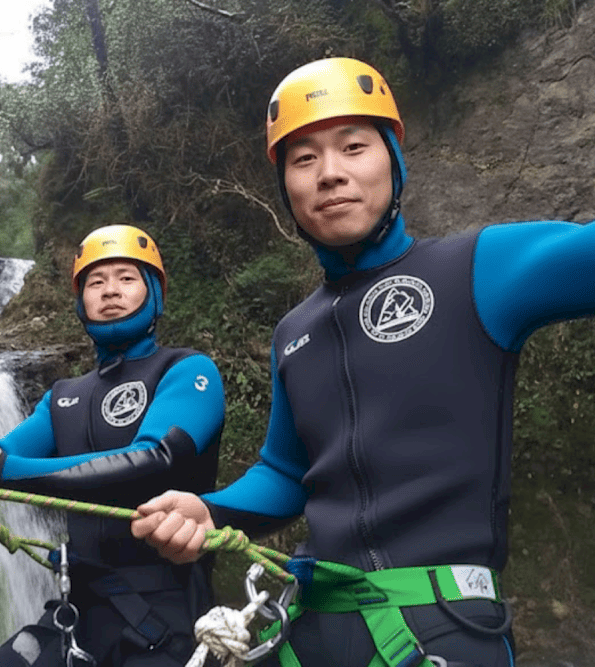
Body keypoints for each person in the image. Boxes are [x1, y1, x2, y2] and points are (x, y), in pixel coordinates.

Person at [131, 57, 595, 667]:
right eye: (304, 159)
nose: (330, 174)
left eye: (354, 147)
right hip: (311, 623)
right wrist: (207, 509)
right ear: (287, 187)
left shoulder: (480, 269)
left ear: (393, 161)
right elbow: (286, 471)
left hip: (444, 627)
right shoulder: (294, 332)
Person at [0, 224, 226, 667]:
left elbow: (158, 460)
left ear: (154, 293)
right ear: (80, 301)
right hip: (80, 607)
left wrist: (4, 468)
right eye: (96, 281)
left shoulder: (187, 370)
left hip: (169, 609)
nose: (110, 290)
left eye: (127, 278)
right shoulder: (63, 397)